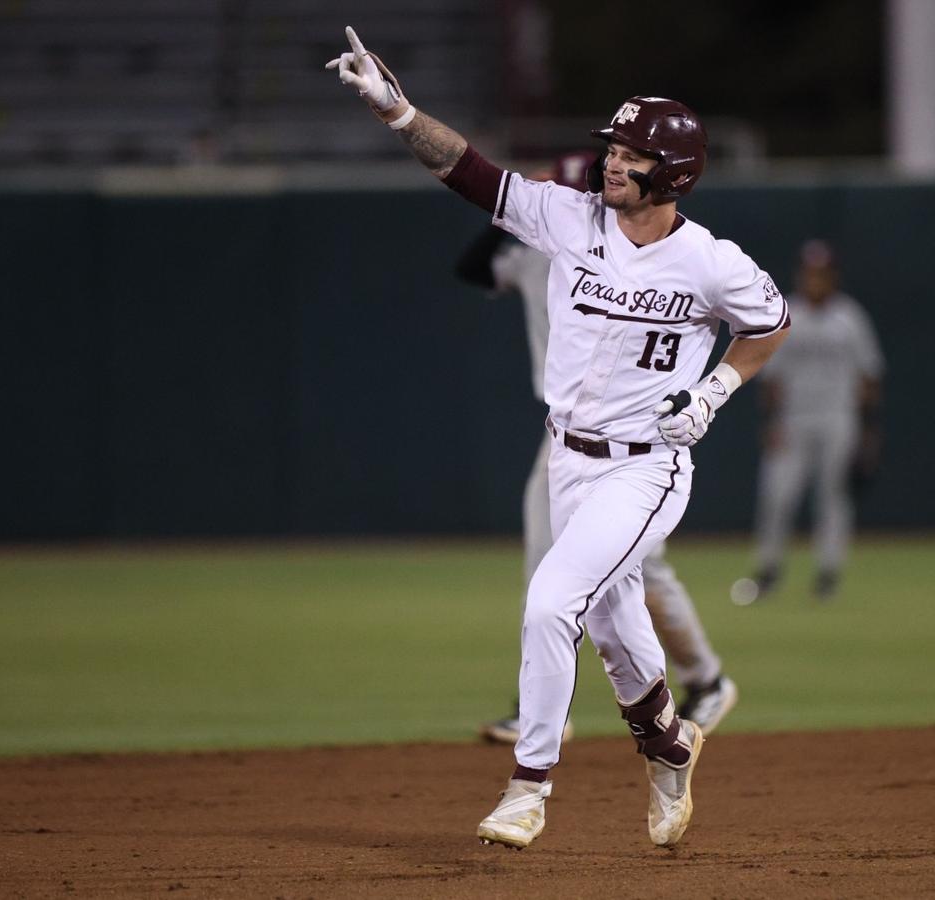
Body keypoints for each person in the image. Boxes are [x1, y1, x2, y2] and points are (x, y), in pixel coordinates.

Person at [328, 28, 789, 851]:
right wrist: (398, 111)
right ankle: (671, 747)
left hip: (645, 470)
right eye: (611, 147)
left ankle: (528, 786)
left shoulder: (710, 262)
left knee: (550, 602)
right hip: (566, 460)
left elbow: (770, 325)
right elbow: (470, 173)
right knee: (616, 632)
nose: (611, 161)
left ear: (673, 174)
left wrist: (715, 390)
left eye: (630, 152)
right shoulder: (569, 219)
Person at [453, 153, 739, 745]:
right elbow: (474, 267)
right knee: (551, 568)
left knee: (636, 574)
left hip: (637, 443)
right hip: (563, 436)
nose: (598, 179)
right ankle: (538, 705)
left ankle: (705, 678)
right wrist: (511, 208)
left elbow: (762, 321)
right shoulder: (545, 245)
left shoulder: (669, 258)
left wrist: (713, 389)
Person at [735, 239, 883, 604]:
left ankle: (828, 573)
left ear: (833, 276)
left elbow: (869, 377)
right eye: (810, 272)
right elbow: (771, 378)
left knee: (833, 497)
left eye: (822, 273)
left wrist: (868, 429)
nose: (815, 279)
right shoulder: (788, 314)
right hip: (793, 420)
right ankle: (768, 570)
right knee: (778, 495)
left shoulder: (850, 317)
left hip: (838, 419)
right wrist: (771, 422)